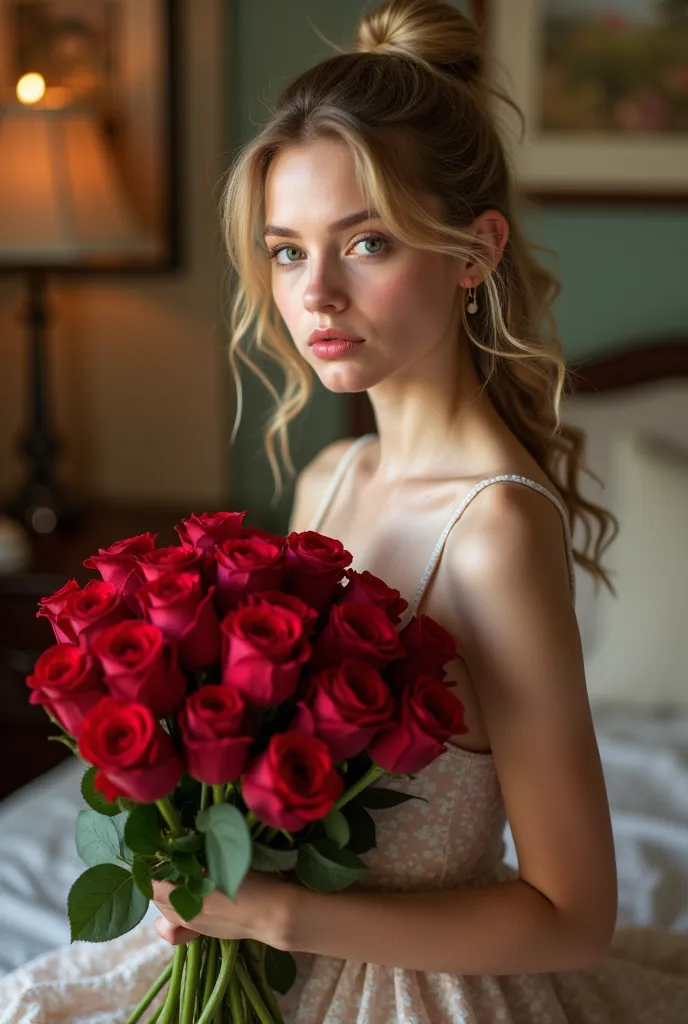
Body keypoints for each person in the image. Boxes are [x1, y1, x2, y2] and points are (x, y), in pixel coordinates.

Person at [2, 2, 687, 1022]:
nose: (315, 293)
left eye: (366, 243)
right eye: (285, 250)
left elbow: (570, 914)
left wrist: (278, 917)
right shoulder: (330, 476)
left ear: (473, 251)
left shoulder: (494, 526)